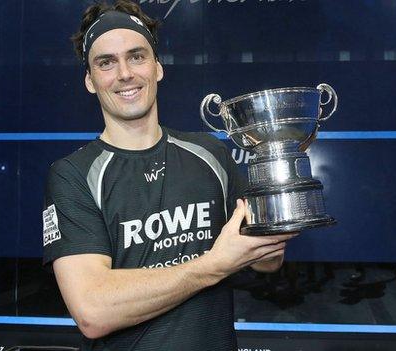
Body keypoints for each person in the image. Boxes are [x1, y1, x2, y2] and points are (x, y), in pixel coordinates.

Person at [42, 1, 297, 349]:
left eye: (136, 56)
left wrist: (279, 211)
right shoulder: (73, 175)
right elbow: (93, 311)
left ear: (157, 67)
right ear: (90, 80)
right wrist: (213, 265)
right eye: (106, 63)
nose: (125, 74)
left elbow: (269, 261)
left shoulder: (211, 153)